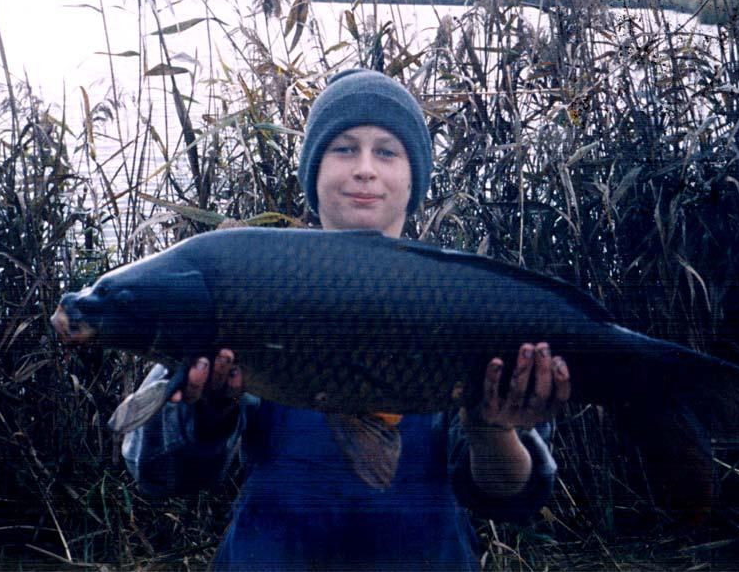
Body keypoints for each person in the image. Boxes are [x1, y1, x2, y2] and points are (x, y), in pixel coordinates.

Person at [123, 68, 572, 570]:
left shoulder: (459, 300)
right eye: (343, 148)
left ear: (413, 178)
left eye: (386, 151)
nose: (365, 168)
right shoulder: (247, 282)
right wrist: (207, 415)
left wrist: (491, 429)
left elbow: (511, 498)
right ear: (313, 174)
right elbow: (157, 474)